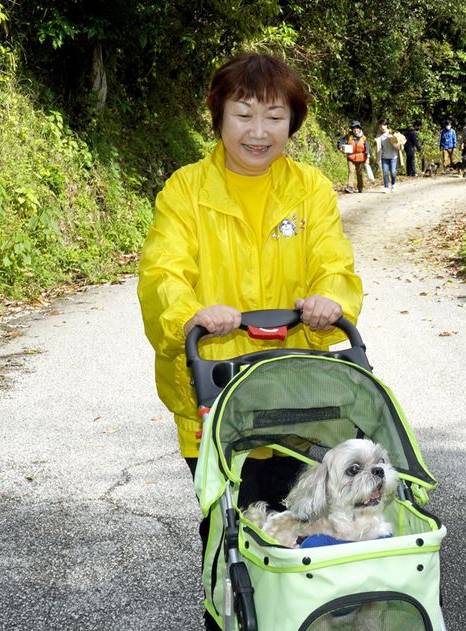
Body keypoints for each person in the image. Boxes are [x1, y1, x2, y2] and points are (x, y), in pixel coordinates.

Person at [137, 51, 363, 630]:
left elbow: (333, 263)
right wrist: (190, 314)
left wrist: (329, 298)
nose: (259, 132)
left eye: (275, 116)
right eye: (243, 114)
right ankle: (230, 617)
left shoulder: (309, 188)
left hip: (298, 394)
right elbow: (162, 273)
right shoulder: (186, 191)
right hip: (214, 393)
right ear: (218, 117)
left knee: (307, 523)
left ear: (293, 121)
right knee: (229, 533)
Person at [337, 120, 369, 192]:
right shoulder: (348, 136)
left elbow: (367, 148)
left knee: (359, 173)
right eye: (354, 128)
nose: (355, 129)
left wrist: (367, 157)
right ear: (352, 129)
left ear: (359, 129)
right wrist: (340, 147)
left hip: (361, 158)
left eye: (357, 128)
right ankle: (350, 187)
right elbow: (340, 142)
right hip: (351, 157)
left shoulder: (363, 138)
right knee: (351, 171)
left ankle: (360, 187)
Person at [375, 118, 402, 192]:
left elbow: (399, 144)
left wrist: (396, 144)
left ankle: (393, 184)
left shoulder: (392, 133)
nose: (381, 128)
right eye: (380, 126)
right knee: (385, 172)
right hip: (384, 157)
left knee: (393, 172)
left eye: (383, 126)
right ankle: (386, 187)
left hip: (393, 156)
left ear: (386, 126)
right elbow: (378, 146)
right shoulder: (379, 135)